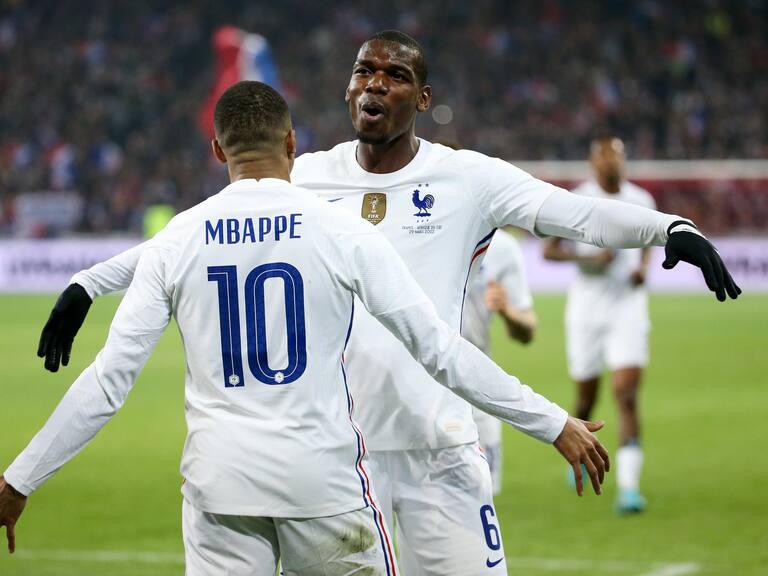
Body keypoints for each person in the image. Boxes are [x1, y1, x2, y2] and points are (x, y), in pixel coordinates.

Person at [34, 31, 739, 575]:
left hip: (439, 449)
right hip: (344, 460)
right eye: (363, 71)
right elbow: (191, 236)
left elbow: (576, 216)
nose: (375, 84)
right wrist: (89, 283)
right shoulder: (305, 177)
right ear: (347, 92)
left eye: (395, 75)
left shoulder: (469, 179)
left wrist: (667, 228)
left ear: (421, 100)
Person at [543, 135, 658, 513]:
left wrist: (642, 271)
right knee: (586, 397)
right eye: (604, 158)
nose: (611, 164)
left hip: (627, 306)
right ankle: (581, 444)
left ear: (624, 162)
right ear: (593, 164)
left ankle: (628, 488)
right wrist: (590, 261)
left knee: (625, 393)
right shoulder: (575, 200)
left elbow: (647, 247)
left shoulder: (641, 201)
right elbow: (549, 250)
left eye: (617, 158)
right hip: (587, 310)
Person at [462, 229, 538, 495]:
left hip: (476, 384)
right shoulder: (424, 230)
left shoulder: (503, 247)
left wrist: (507, 311)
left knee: (484, 495)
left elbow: (528, 330)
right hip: (421, 387)